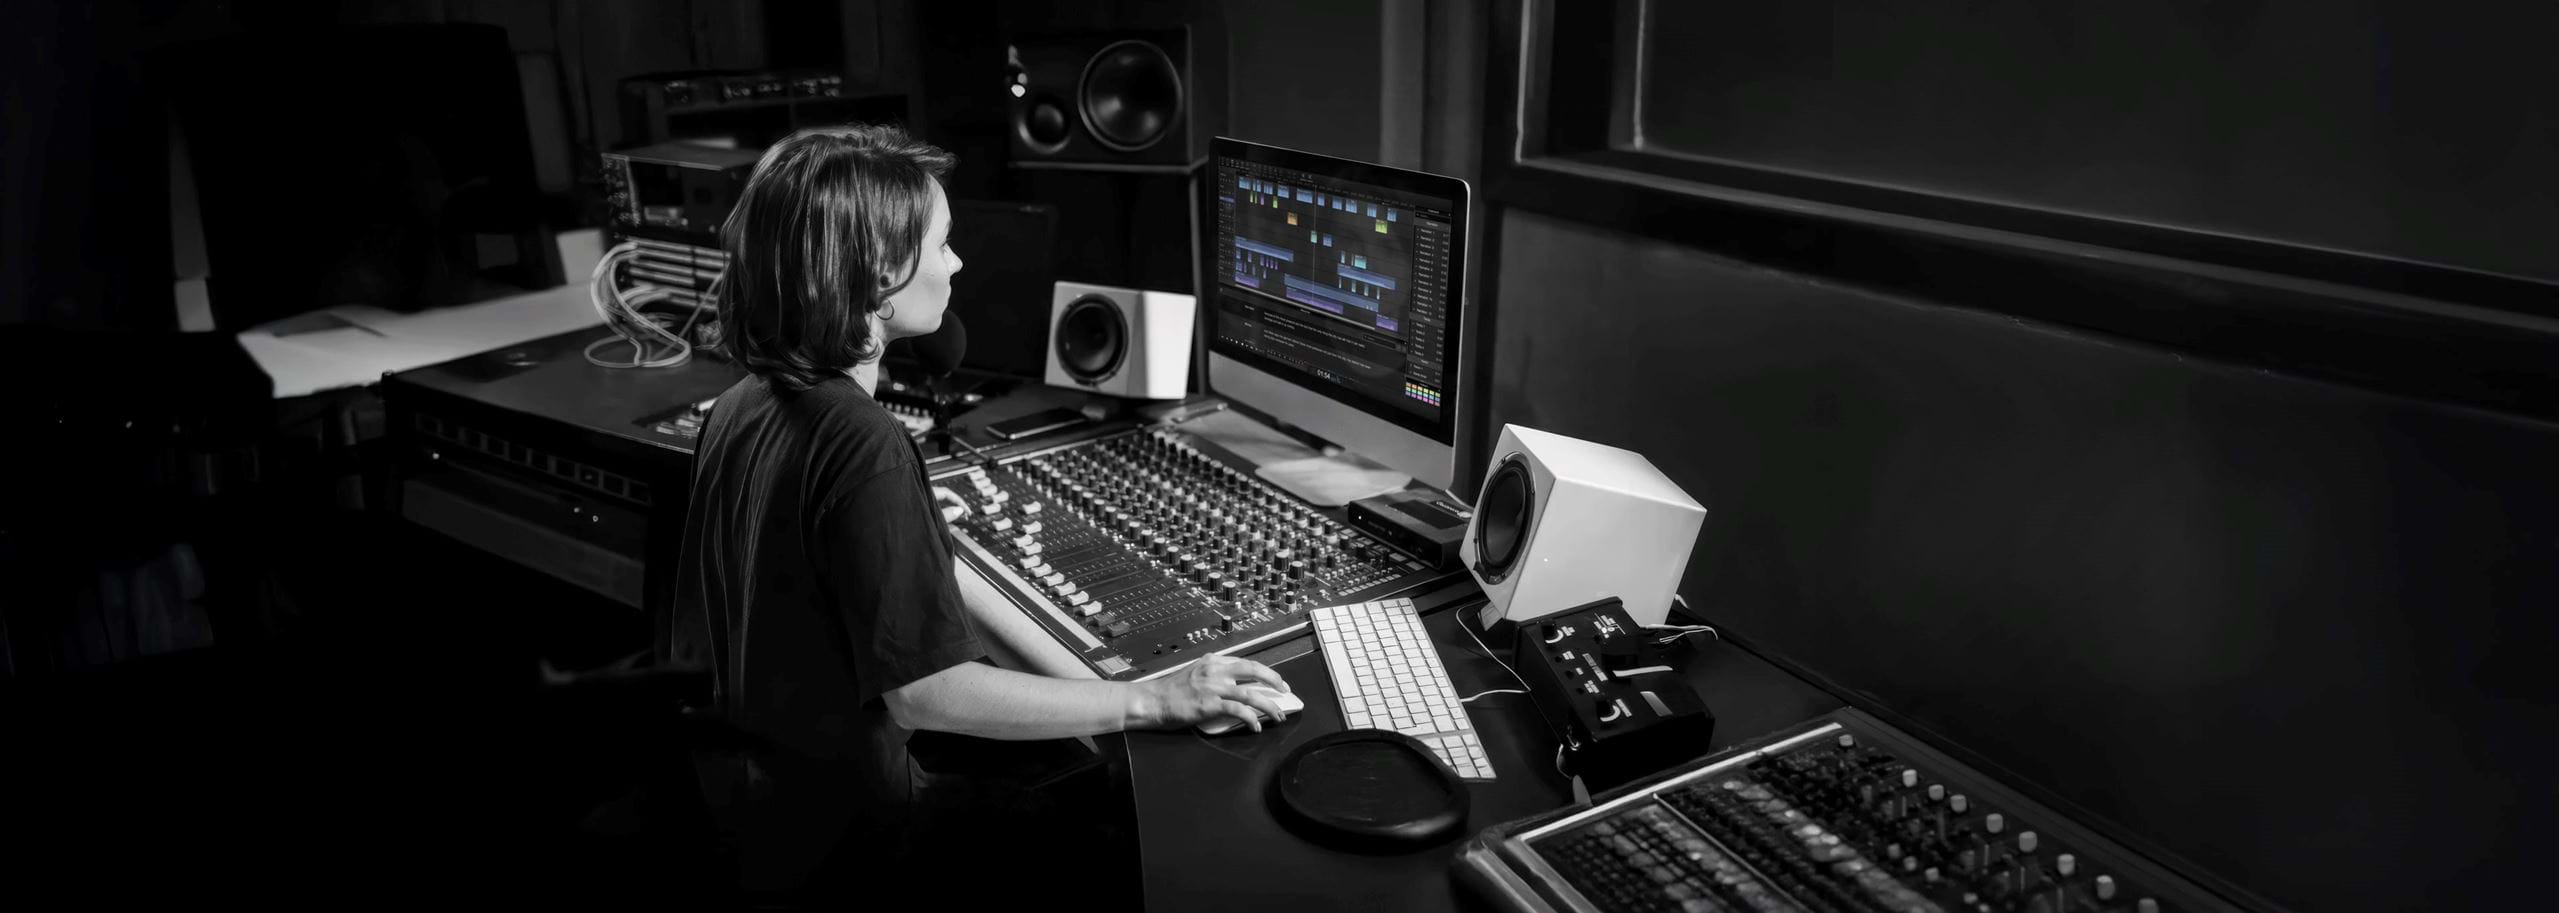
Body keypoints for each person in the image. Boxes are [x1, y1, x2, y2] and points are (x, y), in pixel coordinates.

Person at [667, 125, 1294, 901]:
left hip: (754, 812)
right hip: (854, 845)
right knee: (1123, 826)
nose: (956, 263)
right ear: (881, 274)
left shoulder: (742, 401)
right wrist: (1155, 696)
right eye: (941, 244)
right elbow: (927, 692)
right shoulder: (863, 441)